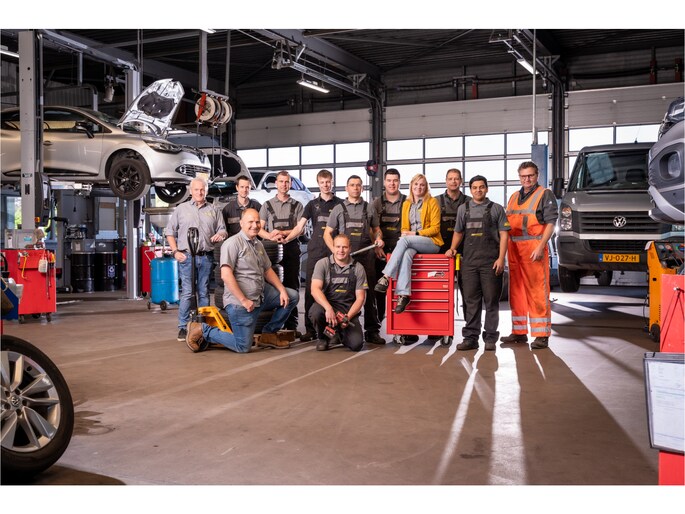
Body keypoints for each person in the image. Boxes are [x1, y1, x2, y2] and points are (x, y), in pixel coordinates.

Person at [185, 208, 299, 353]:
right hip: (240, 303)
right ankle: (203, 329)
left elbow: (267, 270)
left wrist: (282, 290)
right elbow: (226, 275)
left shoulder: (258, 244)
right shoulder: (232, 243)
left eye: (257, 222)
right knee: (243, 346)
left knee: (291, 296)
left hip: (261, 295)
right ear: (241, 223)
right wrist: (244, 300)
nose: (255, 225)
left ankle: (269, 334)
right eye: (250, 222)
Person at [445, 175, 510, 351]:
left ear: (486, 189)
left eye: (481, 187)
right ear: (470, 190)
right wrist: (452, 248)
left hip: (491, 262)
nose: (478, 190)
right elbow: (458, 232)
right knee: (471, 301)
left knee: (491, 302)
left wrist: (501, 258)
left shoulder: (496, 209)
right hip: (469, 263)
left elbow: (504, 234)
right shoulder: (463, 209)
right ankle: (470, 338)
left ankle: (490, 338)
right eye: (474, 187)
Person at [501, 161, 558, 350]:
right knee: (516, 291)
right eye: (523, 176)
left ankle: (541, 334)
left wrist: (541, 246)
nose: (527, 179)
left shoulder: (544, 194)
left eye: (530, 175)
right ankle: (519, 331)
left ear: (537, 175)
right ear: (519, 177)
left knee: (537, 291)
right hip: (514, 250)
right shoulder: (513, 197)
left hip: (534, 248)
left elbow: (551, 223)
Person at [324, 175, 386, 345]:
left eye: (358, 185)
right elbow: (327, 233)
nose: (355, 188)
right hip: (345, 259)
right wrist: (335, 252)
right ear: (347, 188)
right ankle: (338, 329)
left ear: (362, 188)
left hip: (366, 258)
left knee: (369, 294)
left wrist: (379, 239)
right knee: (342, 293)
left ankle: (372, 331)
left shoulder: (369, 208)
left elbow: (376, 229)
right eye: (352, 185)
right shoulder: (338, 209)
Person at [166, 176, 227, 341]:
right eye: (196, 190)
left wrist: (220, 235)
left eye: (202, 189)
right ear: (190, 191)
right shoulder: (181, 209)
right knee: (187, 292)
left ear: (206, 190)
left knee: (203, 292)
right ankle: (183, 327)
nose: (200, 192)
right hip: (186, 257)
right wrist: (175, 251)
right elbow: (169, 232)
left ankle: (203, 327)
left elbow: (223, 229)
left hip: (206, 257)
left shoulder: (214, 210)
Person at [375, 173, 443, 314]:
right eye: (416, 184)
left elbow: (435, 228)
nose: (419, 187)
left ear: (426, 187)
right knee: (406, 254)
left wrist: (415, 234)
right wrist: (408, 234)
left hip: (431, 242)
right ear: (411, 186)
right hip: (412, 242)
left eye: (422, 184)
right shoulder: (406, 204)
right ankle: (404, 295)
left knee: (404, 240)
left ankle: (386, 276)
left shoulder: (432, 202)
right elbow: (404, 228)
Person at [289, 169, 343, 343]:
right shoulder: (312, 205)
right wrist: (287, 239)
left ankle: (334, 327)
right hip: (316, 251)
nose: (325, 185)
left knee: (334, 289)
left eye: (328, 182)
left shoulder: (340, 204)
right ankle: (310, 329)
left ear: (332, 183)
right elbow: (300, 227)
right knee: (311, 291)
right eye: (322, 182)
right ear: (318, 184)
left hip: (334, 252)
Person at [258, 171, 305, 334]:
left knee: (292, 285)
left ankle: (292, 326)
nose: (284, 184)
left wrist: (284, 234)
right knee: (274, 286)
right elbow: (259, 229)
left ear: (290, 184)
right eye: (281, 181)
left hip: (291, 249)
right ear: (276, 183)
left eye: (287, 182)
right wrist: (271, 236)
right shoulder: (267, 205)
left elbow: (300, 229)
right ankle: (275, 323)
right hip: (272, 251)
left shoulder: (298, 205)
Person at [429, 168, 470, 343]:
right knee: (438, 292)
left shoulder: (469, 202)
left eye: (456, 178)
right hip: (440, 255)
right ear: (446, 181)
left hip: (464, 253)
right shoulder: (435, 201)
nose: (453, 181)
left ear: (461, 181)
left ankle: (470, 330)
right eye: (450, 178)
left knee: (468, 292)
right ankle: (437, 328)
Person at [309, 234, 367, 352]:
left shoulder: (358, 268)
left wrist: (348, 317)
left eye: (344, 247)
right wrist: (328, 308)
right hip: (327, 307)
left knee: (356, 345)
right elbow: (315, 289)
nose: (341, 250)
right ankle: (324, 338)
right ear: (333, 247)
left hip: (347, 311)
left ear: (350, 248)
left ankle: (339, 333)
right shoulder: (323, 264)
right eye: (338, 247)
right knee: (316, 312)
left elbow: (360, 298)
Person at [371, 168, 407, 323]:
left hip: (402, 252)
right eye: (389, 180)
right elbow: (372, 227)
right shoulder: (376, 203)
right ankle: (379, 322)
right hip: (382, 252)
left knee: (403, 288)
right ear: (384, 182)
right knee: (379, 289)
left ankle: (403, 326)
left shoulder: (407, 202)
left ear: (399, 182)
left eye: (395, 180)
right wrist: (376, 246)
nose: (392, 184)